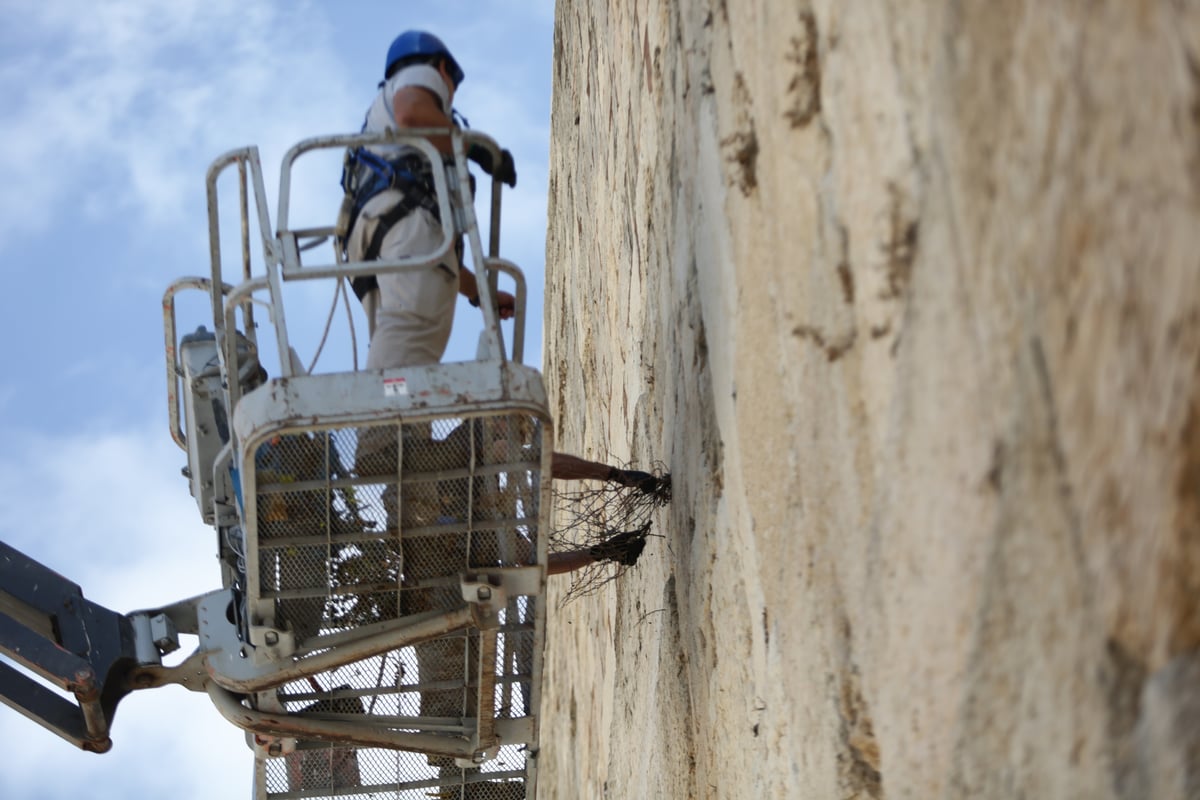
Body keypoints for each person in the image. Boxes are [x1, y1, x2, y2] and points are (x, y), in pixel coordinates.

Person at [342, 30, 517, 374]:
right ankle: (389, 427)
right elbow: (412, 113)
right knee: (410, 345)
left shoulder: (382, 131)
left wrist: (479, 293)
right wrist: (474, 148)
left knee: (402, 349)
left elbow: (430, 257)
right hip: (403, 225)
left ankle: (396, 425)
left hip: (377, 238)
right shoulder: (420, 74)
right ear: (442, 69)